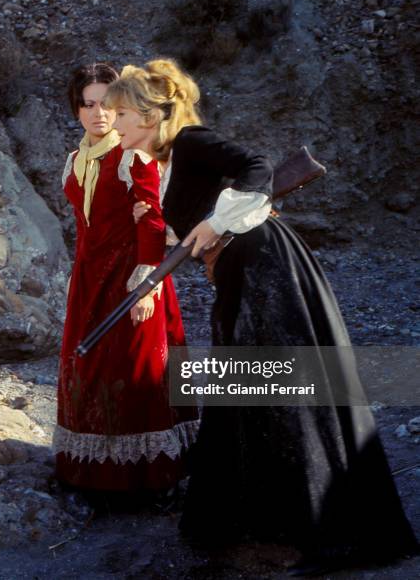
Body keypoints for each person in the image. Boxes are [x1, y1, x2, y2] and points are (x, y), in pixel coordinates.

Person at [106, 59, 418, 575]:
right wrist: (177, 228)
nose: (112, 123)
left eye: (119, 113)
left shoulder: (192, 142)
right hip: (242, 270)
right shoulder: (168, 160)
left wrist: (213, 219)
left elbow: (258, 167)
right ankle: (258, 518)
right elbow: (201, 219)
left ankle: (310, 524)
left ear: (146, 114)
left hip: (263, 267)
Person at [53, 63, 199, 503]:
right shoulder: (75, 159)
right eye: (89, 104)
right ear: (77, 109)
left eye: (107, 105)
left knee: (136, 368)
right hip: (88, 281)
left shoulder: (135, 153)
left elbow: (152, 220)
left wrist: (147, 282)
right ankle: (91, 474)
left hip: (134, 276)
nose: (99, 114)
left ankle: (146, 480)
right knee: (89, 369)